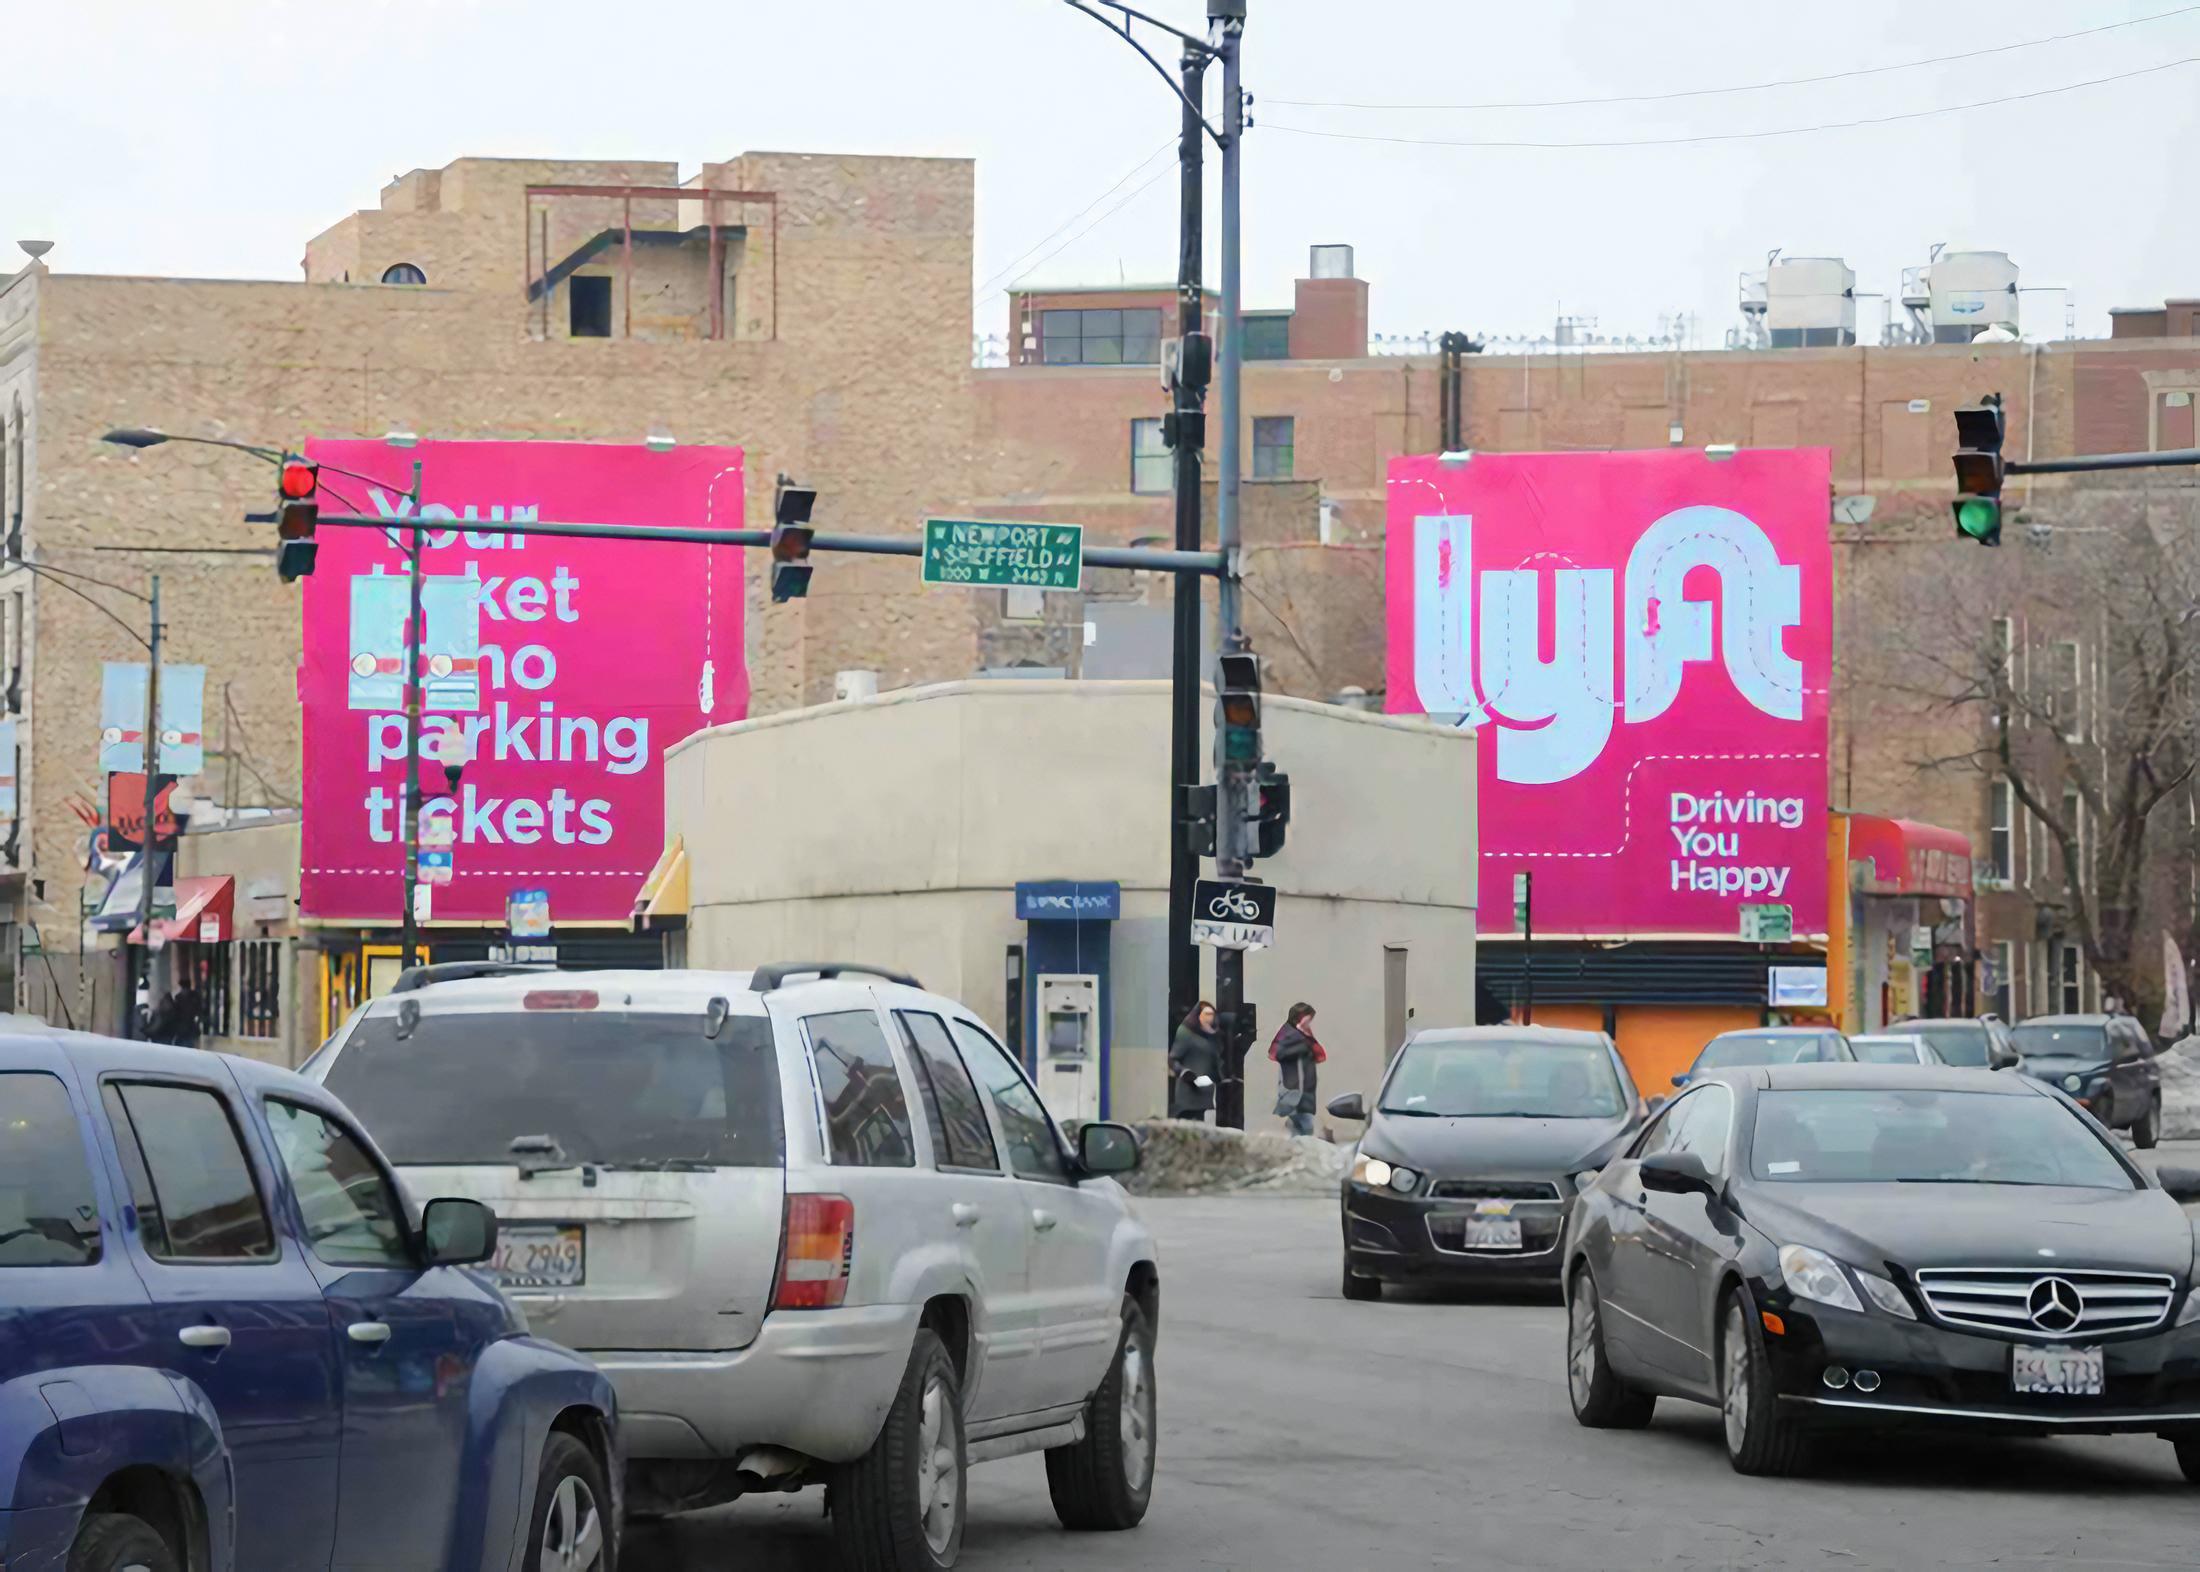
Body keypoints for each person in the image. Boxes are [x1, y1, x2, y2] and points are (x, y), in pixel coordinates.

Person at [1270, 1002, 1326, 1137]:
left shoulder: (1304, 1035)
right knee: (1306, 1127)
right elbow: (1278, 1053)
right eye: (1308, 1018)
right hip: (1295, 1089)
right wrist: (1302, 1045)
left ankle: (1295, 1140)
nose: (1310, 1022)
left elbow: (1319, 1054)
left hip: (1305, 1088)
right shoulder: (1290, 1034)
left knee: (1301, 1127)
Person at [1169, 1002, 1222, 1122]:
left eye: (1212, 1015)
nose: (1210, 1018)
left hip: (1206, 1091)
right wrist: (1184, 1072)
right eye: (1207, 1014)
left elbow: (1215, 1061)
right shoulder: (1186, 1032)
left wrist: (1218, 1076)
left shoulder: (1212, 1036)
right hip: (1189, 1091)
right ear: (1198, 1015)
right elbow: (1172, 1059)